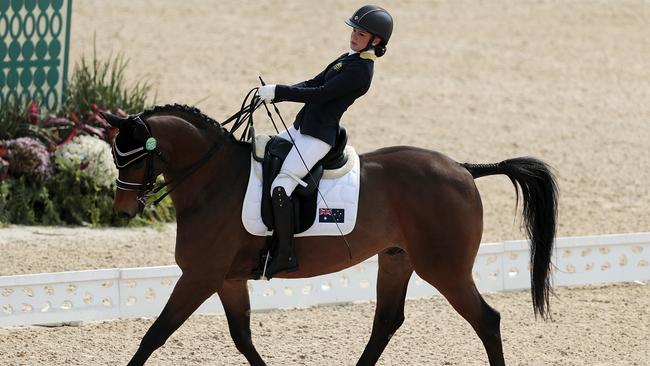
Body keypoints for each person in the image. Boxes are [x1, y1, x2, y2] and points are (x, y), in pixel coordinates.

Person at [256, 5, 393, 277]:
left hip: (318, 136)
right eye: (354, 30)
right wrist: (278, 91)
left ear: (375, 41)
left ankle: (285, 253)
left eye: (361, 33)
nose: (354, 36)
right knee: (261, 158)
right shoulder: (349, 58)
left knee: (282, 186)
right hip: (301, 128)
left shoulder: (361, 71)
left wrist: (281, 92)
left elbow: (321, 94)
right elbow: (312, 81)